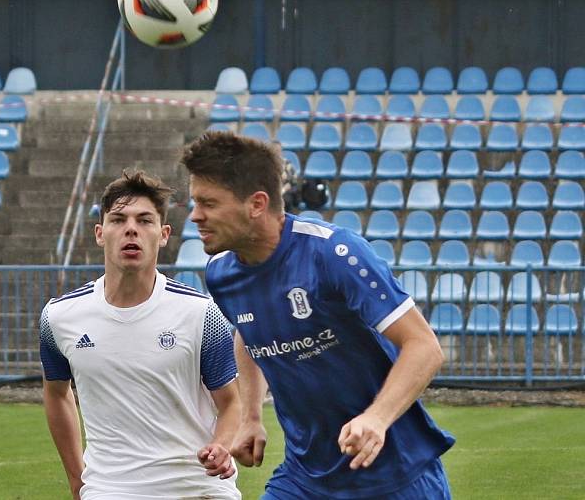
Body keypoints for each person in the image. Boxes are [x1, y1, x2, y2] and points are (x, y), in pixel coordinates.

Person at [181, 131, 456, 499]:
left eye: (208, 203)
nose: (195, 216)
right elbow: (248, 334)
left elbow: (424, 346)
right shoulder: (221, 273)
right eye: (195, 202)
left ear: (257, 204)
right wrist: (250, 416)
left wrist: (376, 419)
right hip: (305, 478)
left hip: (396, 474)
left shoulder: (333, 253)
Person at [39, 170, 242, 500]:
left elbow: (231, 402)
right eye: (118, 219)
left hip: (197, 488)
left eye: (144, 220)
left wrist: (221, 445)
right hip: (110, 490)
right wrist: (78, 478)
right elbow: (57, 394)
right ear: (100, 233)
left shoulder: (202, 314)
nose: (131, 228)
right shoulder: (59, 317)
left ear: (163, 235)